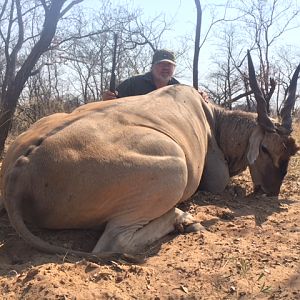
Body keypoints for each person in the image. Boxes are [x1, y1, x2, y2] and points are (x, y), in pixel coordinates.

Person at [102, 49, 180, 100]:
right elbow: (113, 100)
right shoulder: (133, 83)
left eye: (169, 64)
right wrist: (107, 98)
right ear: (152, 66)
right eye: (161, 64)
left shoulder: (179, 89)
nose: (165, 67)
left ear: (174, 67)